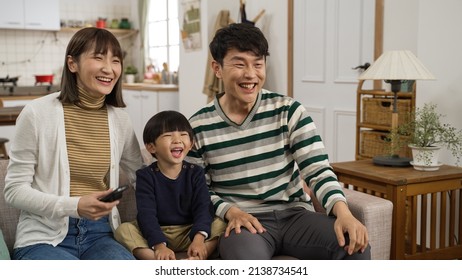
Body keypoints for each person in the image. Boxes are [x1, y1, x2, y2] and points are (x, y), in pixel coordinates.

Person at [187, 23, 371, 260]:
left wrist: (343, 212)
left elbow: (318, 170)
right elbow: (199, 191)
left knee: (355, 247)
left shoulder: (288, 111)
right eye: (239, 64)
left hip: (296, 216)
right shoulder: (197, 127)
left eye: (258, 63)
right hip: (245, 223)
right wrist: (231, 212)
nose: (251, 74)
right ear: (217, 68)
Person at [4, 27, 143, 260]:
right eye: (98, 57)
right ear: (72, 64)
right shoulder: (37, 113)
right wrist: (74, 205)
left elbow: (142, 175)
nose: (109, 68)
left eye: (115, 60)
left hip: (101, 234)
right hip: (43, 237)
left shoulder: (119, 119)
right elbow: (14, 190)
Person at [115, 111, 226, 260]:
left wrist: (199, 240)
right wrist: (159, 245)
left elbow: (202, 208)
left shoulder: (196, 173)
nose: (177, 140)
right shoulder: (145, 176)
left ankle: (199, 254)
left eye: (183, 135)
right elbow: (146, 214)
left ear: (191, 143)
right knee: (124, 229)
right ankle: (157, 260)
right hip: (156, 233)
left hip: (189, 231)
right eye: (168, 136)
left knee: (220, 222)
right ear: (151, 147)